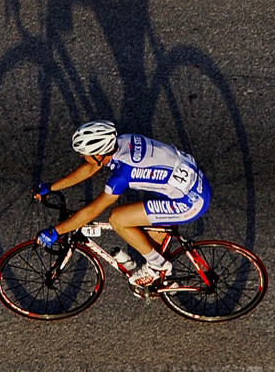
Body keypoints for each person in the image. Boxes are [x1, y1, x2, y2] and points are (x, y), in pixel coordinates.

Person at [34, 121, 208, 288]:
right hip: (193, 183)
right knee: (149, 243)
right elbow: (90, 167)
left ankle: (158, 267)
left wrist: (56, 231)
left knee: (117, 218)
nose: (81, 156)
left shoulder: (122, 175)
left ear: (99, 154)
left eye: (84, 153)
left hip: (189, 202)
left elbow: (93, 210)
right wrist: (51, 187)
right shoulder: (123, 140)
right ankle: (161, 280)